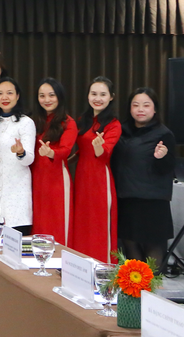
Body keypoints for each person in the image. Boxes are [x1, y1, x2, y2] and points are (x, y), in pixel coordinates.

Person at [112, 88, 176, 267]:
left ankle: (150, 291)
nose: (141, 109)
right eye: (136, 105)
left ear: (154, 109)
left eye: (146, 105)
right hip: (126, 199)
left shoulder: (164, 134)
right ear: (130, 109)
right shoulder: (120, 130)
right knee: (129, 248)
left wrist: (161, 158)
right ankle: (135, 292)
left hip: (153, 203)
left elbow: (168, 169)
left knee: (153, 250)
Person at [69, 76, 122, 263]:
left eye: (102, 94)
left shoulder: (113, 124)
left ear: (111, 97)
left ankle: (102, 270)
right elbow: (80, 149)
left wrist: (98, 146)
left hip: (101, 180)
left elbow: (105, 152)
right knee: (82, 225)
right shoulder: (82, 120)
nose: (97, 98)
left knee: (99, 226)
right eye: (93, 94)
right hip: (82, 179)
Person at [29, 78, 77, 244]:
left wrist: (50, 153)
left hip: (57, 181)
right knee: (38, 225)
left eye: (51, 95)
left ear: (60, 97)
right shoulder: (33, 122)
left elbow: (65, 151)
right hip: (35, 180)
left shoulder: (68, 123)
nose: (46, 100)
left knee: (57, 226)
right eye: (42, 96)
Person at [0, 78, 35, 235]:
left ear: (18, 96)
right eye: (0, 93)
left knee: (15, 246)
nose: (4, 97)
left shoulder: (26, 122)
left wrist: (20, 152)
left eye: (9, 93)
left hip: (17, 193)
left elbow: (29, 159)